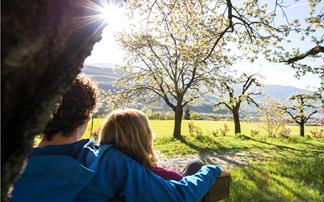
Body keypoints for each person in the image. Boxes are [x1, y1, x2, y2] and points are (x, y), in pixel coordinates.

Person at [11, 74, 222, 202]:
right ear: (87, 116)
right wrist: (210, 170)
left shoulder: (11, 166)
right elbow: (179, 197)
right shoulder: (107, 162)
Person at [98, 108, 204, 181]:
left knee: (194, 165)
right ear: (146, 137)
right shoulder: (165, 178)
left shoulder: (96, 177)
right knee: (196, 165)